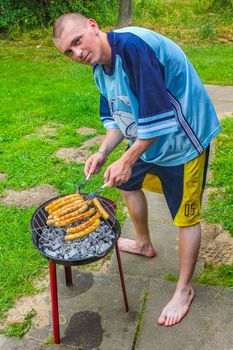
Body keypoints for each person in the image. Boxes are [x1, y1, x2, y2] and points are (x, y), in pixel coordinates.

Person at [53, 13, 221, 327]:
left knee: (185, 216)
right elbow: (118, 119)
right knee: (126, 183)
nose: (77, 53)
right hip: (146, 136)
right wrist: (103, 153)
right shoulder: (100, 69)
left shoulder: (133, 48)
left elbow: (158, 118)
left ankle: (183, 289)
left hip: (184, 139)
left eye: (77, 42)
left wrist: (126, 159)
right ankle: (143, 243)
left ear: (92, 26)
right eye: (68, 52)